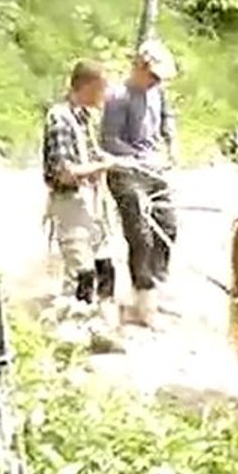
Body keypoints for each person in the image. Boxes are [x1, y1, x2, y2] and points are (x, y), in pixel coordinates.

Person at [42, 59, 125, 349]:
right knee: (81, 274)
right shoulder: (60, 118)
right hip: (71, 204)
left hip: (92, 206)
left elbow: (90, 154)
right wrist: (100, 167)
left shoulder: (83, 119)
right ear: (88, 86)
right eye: (101, 89)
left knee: (105, 268)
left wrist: (110, 161)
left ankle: (102, 330)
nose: (104, 97)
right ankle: (70, 337)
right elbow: (63, 171)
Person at [100, 39, 179, 328]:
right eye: (154, 75)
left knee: (168, 226)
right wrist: (137, 158)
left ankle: (156, 286)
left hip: (154, 170)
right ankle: (144, 299)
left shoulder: (158, 92)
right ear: (140, 68)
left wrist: (171, 144)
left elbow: (167, 119)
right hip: (126, 171)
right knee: (141, 235)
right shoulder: (118, 97)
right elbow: (109, 140)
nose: (157, 82)